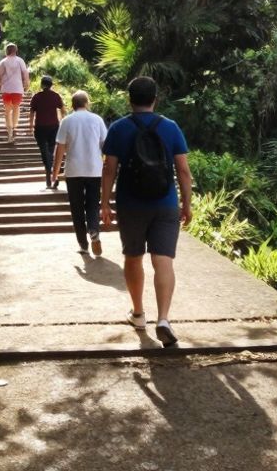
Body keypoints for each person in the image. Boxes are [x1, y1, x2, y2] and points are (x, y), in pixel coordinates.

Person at [100, 76, 192, 348]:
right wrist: (186, 203)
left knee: (133, 256)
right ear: (155, 98)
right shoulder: (171, 128)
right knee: (163, 260)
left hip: (131, 203)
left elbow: (109, 169)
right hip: (165, 204)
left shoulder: (118, 128)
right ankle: (163, 318)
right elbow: (183, 171)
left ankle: (139, 314)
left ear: (129, 99)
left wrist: (104, 203)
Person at [53, 90, 109, 256]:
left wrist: (55, 172)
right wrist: (106, 165)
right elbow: (105, 145)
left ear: (72, 104)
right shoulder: (97, 119)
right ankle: (94, 230)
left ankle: (83, 244)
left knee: (76, 208)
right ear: (87, 103)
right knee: (93, 204)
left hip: (74, 171)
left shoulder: (67, 121)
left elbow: (60, 148)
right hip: (94, 169)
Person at [27, 76, 65, 189]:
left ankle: (49, 172)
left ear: (42, 85)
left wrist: (30, 125)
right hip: (54, 127)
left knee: (44, 151)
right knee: (51, 149)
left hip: (40, 127)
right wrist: (63, 121)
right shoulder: (55, 96)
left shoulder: (37, 96)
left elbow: (32, 112)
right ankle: (52, 173)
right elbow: (63, 110)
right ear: (51, 85)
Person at [0, 44, 30, 143]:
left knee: (7, 111)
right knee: (16, 108)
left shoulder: (3, 62)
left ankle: (9, 133)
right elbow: (25, 73)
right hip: (17, 88)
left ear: (6, 51)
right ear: (16, 50)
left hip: (6, 89)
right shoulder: (20, 60)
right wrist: (27, 83)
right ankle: (14, 127)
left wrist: (0, 85)